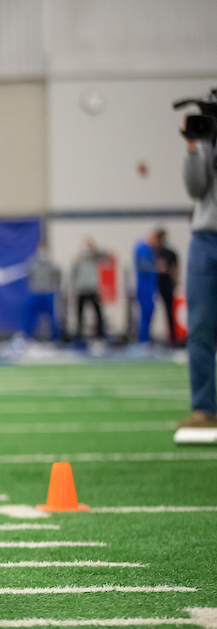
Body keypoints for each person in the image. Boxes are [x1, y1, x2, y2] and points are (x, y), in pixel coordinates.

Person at [180, 122, 217, 428]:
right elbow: (195, 189)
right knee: (201, 325)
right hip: (206, 238)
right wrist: (194, 146)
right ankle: (204, 409)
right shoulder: (208, 138)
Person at [21, 243, 61, 341]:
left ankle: (54, 338)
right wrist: (32, 287)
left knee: (52, 316)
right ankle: (28, 337)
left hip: (48, 293)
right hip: (36, 293)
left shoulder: (52, 264)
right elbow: (28, 276)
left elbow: (58, 275)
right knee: (30, 314)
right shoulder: (32, 263)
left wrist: (54, 288)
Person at [70, 238, 107, 342]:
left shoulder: (94, 257)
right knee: (80, 314)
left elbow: (106, 255)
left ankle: (100, 334)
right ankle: (79, 335)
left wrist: (94, 249)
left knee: (98, 313)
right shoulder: (78, 259)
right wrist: (73, 289)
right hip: (81, 290)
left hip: (93, 289)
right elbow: (73, 275)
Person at [133, 230, 165, 344]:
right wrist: (157, 267)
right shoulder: (142, 249)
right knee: (144, 313)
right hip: (144, 287)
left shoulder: (150, 250)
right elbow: (144, 266)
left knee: (150, 311)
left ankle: (146, 337)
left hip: (150, 287)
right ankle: (143, 339)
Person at [156, 230, 181, 347]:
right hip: (156, 284)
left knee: (170, 312)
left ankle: (172, 337)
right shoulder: (154, 252)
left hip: (167, 285)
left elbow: (175, 268)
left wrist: (176, 282)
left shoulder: (170, 253)